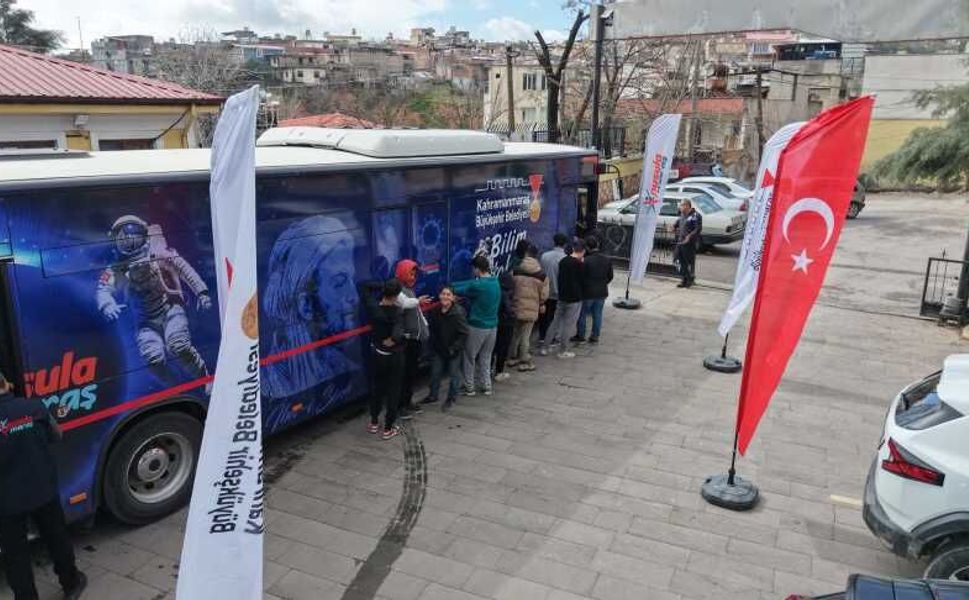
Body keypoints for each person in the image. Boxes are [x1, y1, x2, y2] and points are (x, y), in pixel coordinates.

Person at [0, 372, 87, 600]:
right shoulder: (34, 407)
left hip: (7, 502)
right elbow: (56, 435)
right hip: (43, 490)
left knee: (15, 555)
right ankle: (71, 584)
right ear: (6, 384)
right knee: (57, 537)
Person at [359, 279, 406, 440]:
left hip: (378, 354)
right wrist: (393, 339)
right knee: (393, 391)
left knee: (377, 388)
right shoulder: (398, 311)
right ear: (397, 296)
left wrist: (383, 286)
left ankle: (374, 422)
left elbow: (365, 286)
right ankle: (388, 428)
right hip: (394, 357)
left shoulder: (374, 308)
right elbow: (398, 333)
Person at [452, 255, 501, 396]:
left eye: (473, 269)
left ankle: (469, 387)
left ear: (477, 269)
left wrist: (449, 286)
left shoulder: (478, 286)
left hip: (477, 326)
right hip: (493, 327)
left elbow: (462, 289)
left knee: (469, 357)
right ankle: (486, 385)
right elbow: (472, 283)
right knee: (486, 357)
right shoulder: (495, 281)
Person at [422, 286, 469, 411]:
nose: (445, 297)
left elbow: (464, 333)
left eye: (448, 294)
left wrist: (454, 348)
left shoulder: (458, 313)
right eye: (443, 294)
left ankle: (451, 398)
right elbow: (432, 329)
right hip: (439, 349)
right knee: (435, 373)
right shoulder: (435, 311)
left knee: (454, 375)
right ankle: (433, 395)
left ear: (453, 298)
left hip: (453, 350)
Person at [394, 259, 430, 419]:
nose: (413, 277)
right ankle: (401, 406)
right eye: (410, 273)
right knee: (405, 375)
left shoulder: (409, 289)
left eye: (414, 274)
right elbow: (405, 304)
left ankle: (407, 402)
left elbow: (417, 312)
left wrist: (425, 325)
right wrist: (418, 301)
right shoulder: (397, 290)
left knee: (411, 374)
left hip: (415, 340)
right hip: (407, 341)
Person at [544, 239, 586, 359]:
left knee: (555, 322)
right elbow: (582, 280)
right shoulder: (580, 264)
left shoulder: (563, 261)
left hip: (562, 296)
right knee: (568, 325)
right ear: (582, 251)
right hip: (574, 298)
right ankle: (563, 350)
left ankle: (545, 347)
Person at [510, 244, 548, 371]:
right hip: (531, 309)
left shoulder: (515, 271)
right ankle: (524, 360)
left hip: (516, 305)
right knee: (526, 336)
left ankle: (512, 357)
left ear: (526, 255)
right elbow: (544, 294)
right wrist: (541, 304)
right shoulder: (542, 275)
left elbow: (510, 287)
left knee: (515, 333)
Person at [575, 235, 614, 344]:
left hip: (588, 292)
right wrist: (603, 283)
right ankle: (595, 336)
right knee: (598, 314)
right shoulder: (607, 259)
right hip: (601, 291)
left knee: (582, 314)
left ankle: (581, 335)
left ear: (587, 247)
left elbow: (581, 277)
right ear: (597, 245)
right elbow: (610, 276)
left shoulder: (586, 261)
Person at [537, 233, 568, 354]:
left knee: (543, 316)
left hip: (544, 291)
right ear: (564, 244)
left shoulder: (544, 256)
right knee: (555, 317)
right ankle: (552, 339)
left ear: (554, 242)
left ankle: (542, 337)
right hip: (558, 292)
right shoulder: (565, 259)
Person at [492, 269, 516, 383]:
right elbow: (508, 309)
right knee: (503, 348)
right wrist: (513, 314)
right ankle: (499, 371)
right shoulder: (506, 293)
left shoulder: (496, 290)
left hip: (496, 322)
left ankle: (489, 369)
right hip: (506, 323)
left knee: (494, 347)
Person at [674, 199, 702, 288]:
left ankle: (685, 280)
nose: (680, 207)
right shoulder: (682, 214)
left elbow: (697, 229)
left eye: (682, 205)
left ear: (687, 206)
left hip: (689, 243)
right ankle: (688, 278)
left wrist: (689, 236)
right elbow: (678, 223)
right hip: (680, 241)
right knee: (676, 260)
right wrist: (673, 227)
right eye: (680, 205)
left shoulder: (695, 216)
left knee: (687, 262)